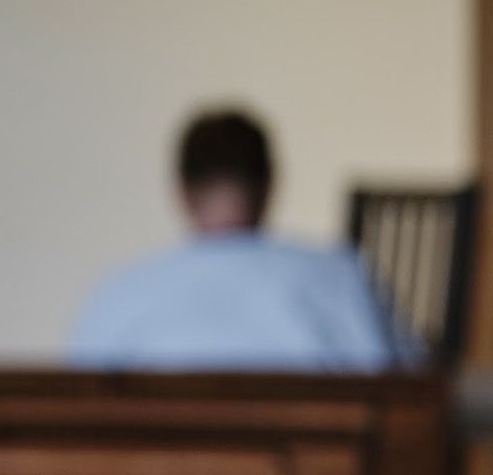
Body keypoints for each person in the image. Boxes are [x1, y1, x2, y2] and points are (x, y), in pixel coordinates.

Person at [70, 106, 402, 369]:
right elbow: (415, 388)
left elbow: (77, 415)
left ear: (180, 192)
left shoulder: (118, 293)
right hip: (317, 451)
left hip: (161, 453)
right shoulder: (343, 277)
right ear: (271, 185)